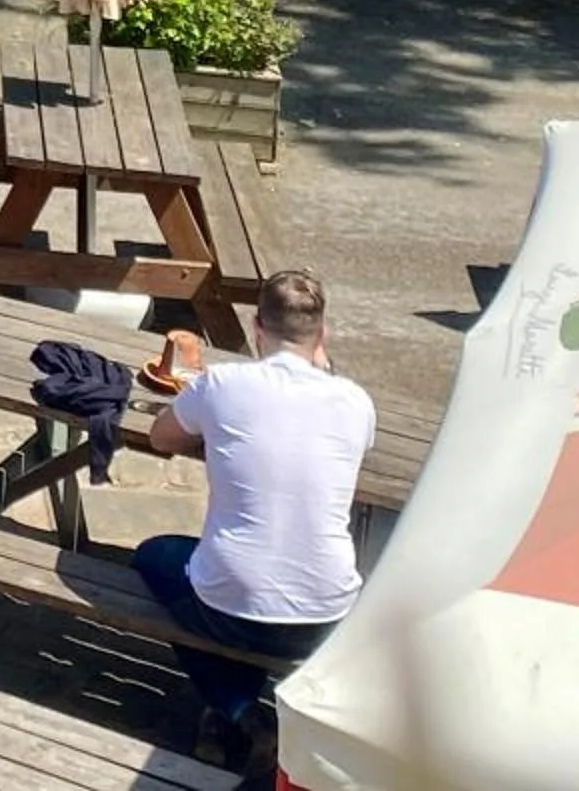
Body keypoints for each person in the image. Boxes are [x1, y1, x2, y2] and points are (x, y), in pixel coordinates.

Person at [136, 269, 376, 778]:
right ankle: (240, 717)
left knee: (156, 559)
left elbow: (161, 437)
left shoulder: (224, 382)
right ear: (323, 335)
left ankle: (239, 712)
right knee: (247, 576)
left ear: (255, 328)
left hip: (230, 603)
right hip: (325, 613)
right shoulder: (356, 402)